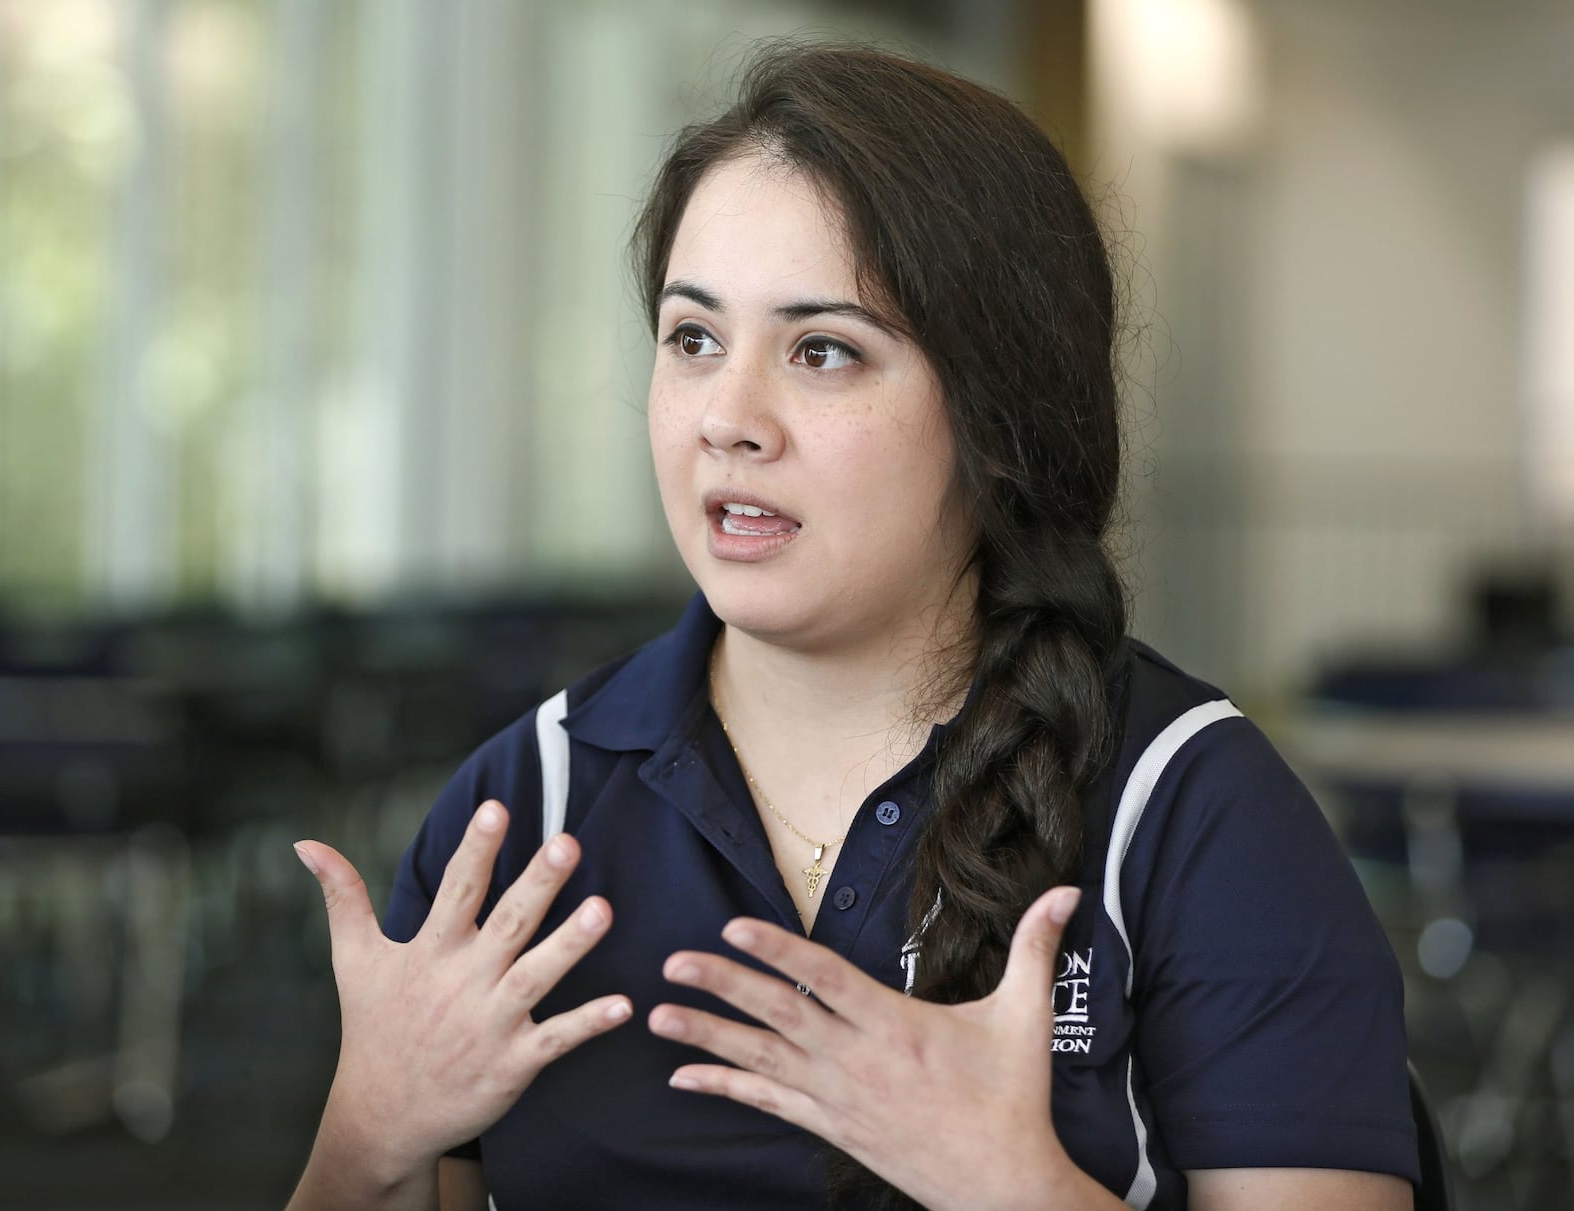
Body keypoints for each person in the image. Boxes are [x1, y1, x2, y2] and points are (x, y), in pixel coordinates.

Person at [286, 41, 1419, 1211]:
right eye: (693, 339)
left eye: (822, 350)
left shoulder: (1190, 810)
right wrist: (363, 1141)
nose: (729, 416)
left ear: (997, 414)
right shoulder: (528, 810)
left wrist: (1013, 1186)